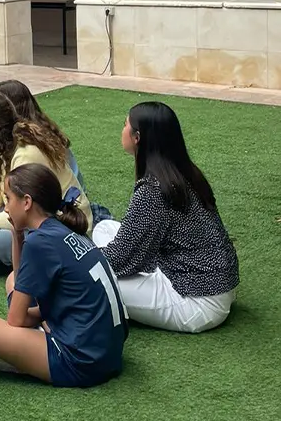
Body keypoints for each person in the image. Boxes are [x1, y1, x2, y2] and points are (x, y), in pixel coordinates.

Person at [0, 163, 129, 388]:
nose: (5, 208)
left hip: (81, 361)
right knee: (12, 281)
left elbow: (15, 319)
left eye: (8, 199)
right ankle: (33, 344)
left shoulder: (39, 242)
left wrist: (30, 319)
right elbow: (21, 278)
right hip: (106, 352)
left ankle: (21, 360)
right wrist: (16, 234)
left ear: (26, 202)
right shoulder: (61, 228)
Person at [92, 102, 239, 333]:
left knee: (94, 280)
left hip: (197, 300)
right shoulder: (183, 171)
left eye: (125, 124)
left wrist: (75, 261)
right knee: (104, 228)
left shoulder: (154, 189)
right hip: (214, 283)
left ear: (137, 137)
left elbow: (118, 258)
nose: (122, 129)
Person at [0, 91, 92, 280]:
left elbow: (27, 213)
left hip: (61, 224)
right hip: (23, 214)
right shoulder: (1, 148)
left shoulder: (26, 153)